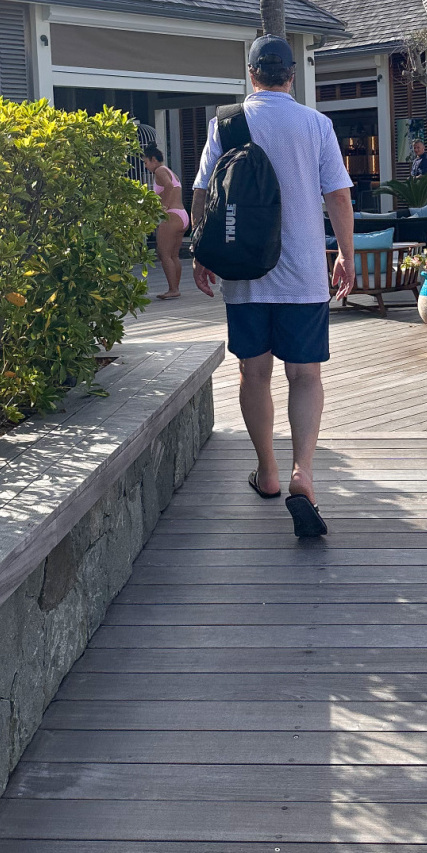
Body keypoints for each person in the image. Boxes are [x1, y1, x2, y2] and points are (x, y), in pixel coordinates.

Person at [191, 35, 356, 538]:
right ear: (290, 75)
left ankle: (266, 472)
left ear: (251, 73)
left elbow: (202, 192)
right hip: (304, 272)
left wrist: (203, 252)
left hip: (245, 271)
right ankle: (302, 471)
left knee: (254, 373)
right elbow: (339, 196)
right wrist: (346, 255)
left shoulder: (227, 121)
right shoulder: (316, 124)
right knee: (305, 377)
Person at [142, 144, 188, 299]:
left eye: (146, 162)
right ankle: (175, 287)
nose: (145, 166)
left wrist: (164, 207)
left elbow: (168, 187)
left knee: (164, 254)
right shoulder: (170, 171)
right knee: (174, 255)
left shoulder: (160, 171)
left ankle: (173, 288)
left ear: (153, 159)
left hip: (171, 215)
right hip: (182, 215)